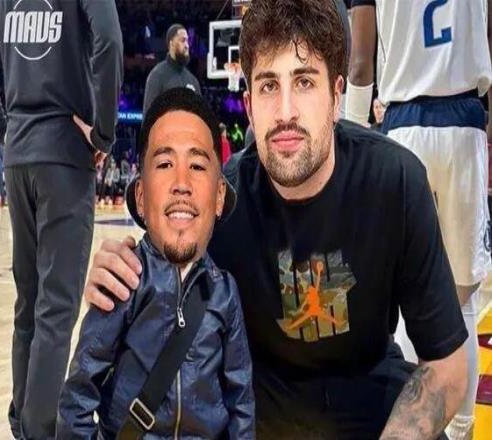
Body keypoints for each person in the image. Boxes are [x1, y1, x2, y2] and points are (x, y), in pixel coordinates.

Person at [84, 1, 468, 438]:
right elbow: (149, 288)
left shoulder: (394, 181)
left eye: (304, 82)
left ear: (336, 96)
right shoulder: (218, 200)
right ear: (249, 105)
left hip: (374, 413)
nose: (285, 111)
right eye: (269, 85)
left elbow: (446, 365)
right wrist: (115, 277)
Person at [57, 88, 254, 439]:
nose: (181, 184)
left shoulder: (225, 292)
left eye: (197, 166)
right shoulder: (124, 279)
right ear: (141, 195)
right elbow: (77, 398)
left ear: (220, 195)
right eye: (164, 164)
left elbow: (240, 401)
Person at [346, 1, 492, 438]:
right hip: (465, 122)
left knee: (408, 302)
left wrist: (349, 138)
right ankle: (462, 430)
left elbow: (360, 65)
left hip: (403, 126)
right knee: (462, 302)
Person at [0, 1, 123, 438]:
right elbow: (109, 40)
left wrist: (2, 126)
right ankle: (39, 430)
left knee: (28, 304)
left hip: (18, 154)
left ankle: (22, 423)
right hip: (65, 153)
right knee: (55, 310)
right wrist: (103, 132)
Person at [143, 24, 201, 113]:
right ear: (171, 44)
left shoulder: (193, 80)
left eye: (187, 41)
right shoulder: (157, 75)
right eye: (183, 40)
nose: (187, 45)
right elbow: (148, 116)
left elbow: (200, 115)